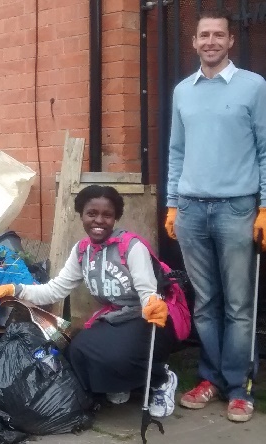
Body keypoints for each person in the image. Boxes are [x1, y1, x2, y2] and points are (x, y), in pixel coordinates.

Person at [0, 185, 178, 418]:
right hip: (117, 316)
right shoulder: (83, 251)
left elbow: (147, 291)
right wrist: (13, 289)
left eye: (107, 215)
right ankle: (120, 383)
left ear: (115, 217)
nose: (99, 220)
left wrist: (154, 304)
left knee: (116, 356)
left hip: (148, 316)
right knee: (77, 352)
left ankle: (161, 379)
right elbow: (54, 290)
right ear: (81, 215)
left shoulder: (131, 247)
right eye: (91, 213)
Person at [164, 8, 266, 423]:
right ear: (194, 43)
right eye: (204, 35)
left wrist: (265, 206)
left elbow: (265, 150)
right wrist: (172, 203)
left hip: (237, 209)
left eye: (218, 35)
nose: (210, 41)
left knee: (239, 304)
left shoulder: (254, 86)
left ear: (230, 41)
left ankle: (238, 387)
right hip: (191, 209)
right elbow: (176, 151)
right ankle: (209, 379)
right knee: (205, 303)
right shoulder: (182, 91)